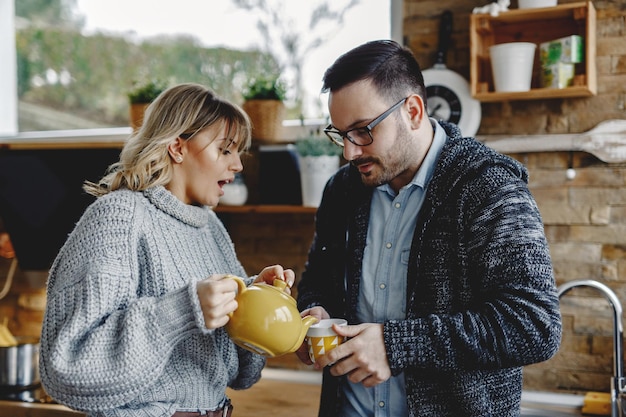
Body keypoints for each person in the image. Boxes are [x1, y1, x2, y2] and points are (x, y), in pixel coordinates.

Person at [295, 40, 562, 417]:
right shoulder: (342, 191)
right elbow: (317, 281)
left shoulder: (488, 186)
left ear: (413, 111)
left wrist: (395, 345)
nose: (349, 152)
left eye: (362, 131)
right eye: (340, 134)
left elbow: (534, 324)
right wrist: (313, 310)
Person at [40, 83, 296, 417]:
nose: (238, 166)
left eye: (238, 153)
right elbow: (68, 366)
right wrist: (186, 310)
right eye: (225, 150)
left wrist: (251, 297)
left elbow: (241, 375)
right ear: (177, 147)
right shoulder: (118, 216)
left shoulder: (211, 228)